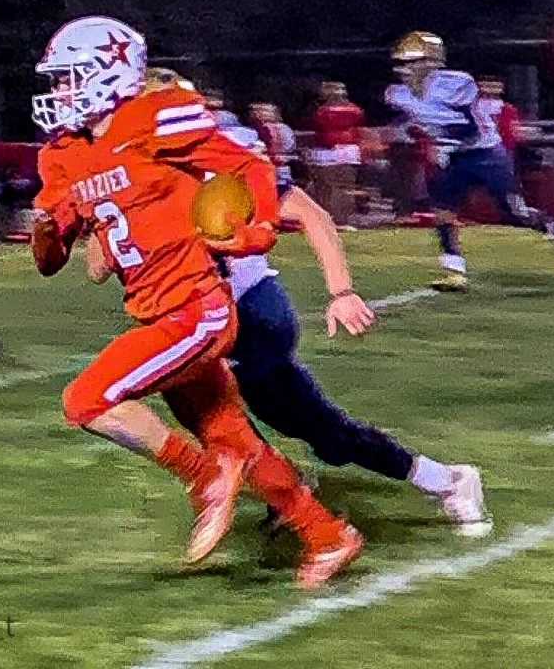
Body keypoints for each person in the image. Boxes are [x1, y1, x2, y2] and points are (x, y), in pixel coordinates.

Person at [31, 16, 362, 587]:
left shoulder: (156, 114)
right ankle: (325, 535)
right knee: (232, 437)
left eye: (69, 79)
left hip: (197, 306)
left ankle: (200, 476)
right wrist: (46, 229)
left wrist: (254, 228)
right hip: (154, 308)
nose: (59, 93)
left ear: (107, 75)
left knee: (85, 400)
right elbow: (51, 260)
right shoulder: (61, 155)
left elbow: (249, 166)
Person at [91, 68, 492, 536]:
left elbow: (311, 214)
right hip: (191, 315)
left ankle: (449, 480)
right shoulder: (137, 175)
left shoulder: (217, 165)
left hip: (249, 310)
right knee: (216, 417)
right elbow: (99, 268)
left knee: (318, 432)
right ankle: (287, 490)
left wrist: (341, 292)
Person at [386, 31, 554, 291]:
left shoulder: (457, 83)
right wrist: (398, 131)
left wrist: (439, 142)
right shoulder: (398, 94)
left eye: (413, 62)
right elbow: (413, 120)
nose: (406, 70)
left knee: (515, 212)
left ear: (431, 62)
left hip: (485, 153)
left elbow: (469, 129)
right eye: (402, 63)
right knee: (443, 211)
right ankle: (453, 270)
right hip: (453, 155)